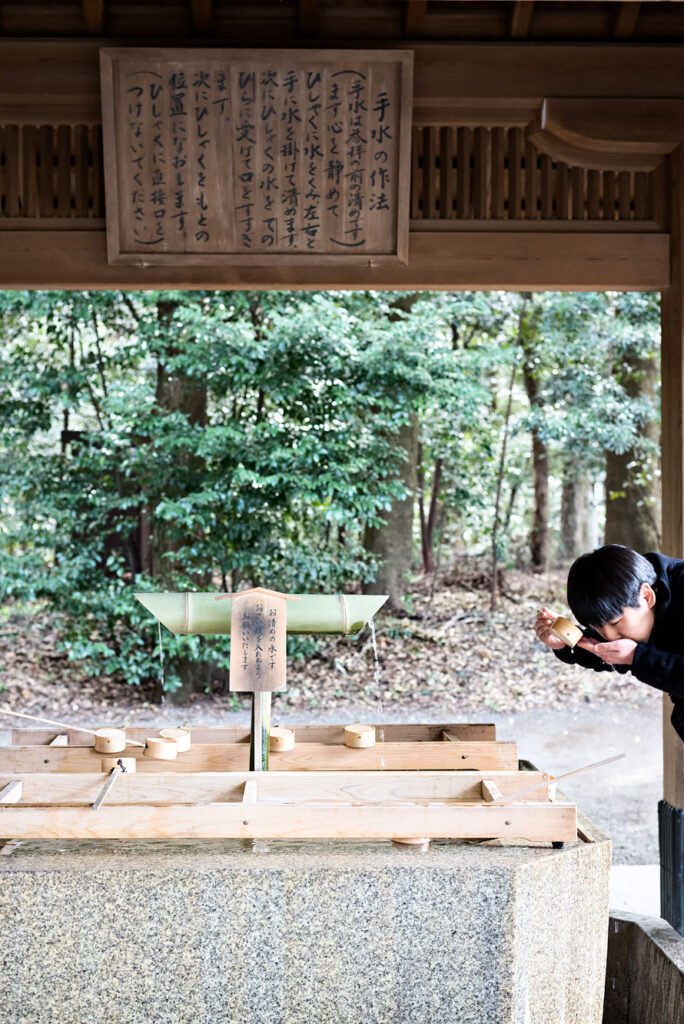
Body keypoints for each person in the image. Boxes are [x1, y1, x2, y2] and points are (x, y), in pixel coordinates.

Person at [535, 544, 684, 743]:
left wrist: (638, 657)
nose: (611, 637)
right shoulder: (637, 590)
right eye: (598, 627)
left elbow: (632, 652)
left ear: (647, 596)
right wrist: (565, 643)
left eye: (616, 622)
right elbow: (609, 648)